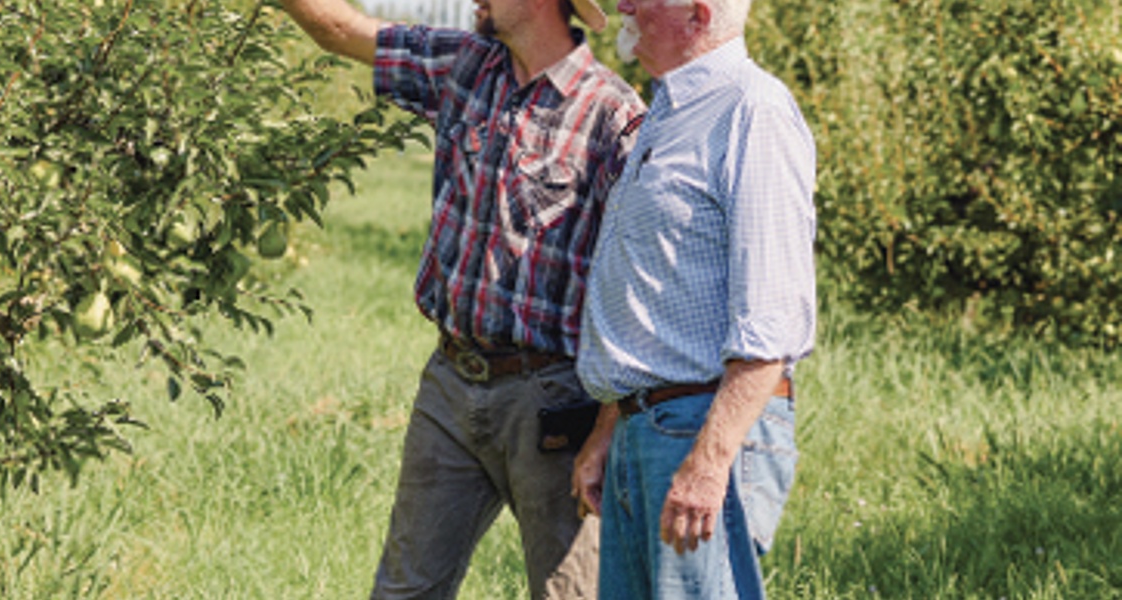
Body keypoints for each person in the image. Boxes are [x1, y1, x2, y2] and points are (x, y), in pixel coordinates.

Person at [274, 0, 645, 597]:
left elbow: (634, 286)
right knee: (403, 590)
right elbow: (340, 30)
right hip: (450, 382)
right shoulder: (464, 67)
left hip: (553, 401)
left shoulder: (612, 115)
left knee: (570, 593)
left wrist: (606, 429)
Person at [568, 0, 816, 597]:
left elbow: (772, 319)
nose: (622, 5)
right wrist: (609, 427)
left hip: (700, 426)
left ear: (697, 15)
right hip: (643, 426)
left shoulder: (751, 110)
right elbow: (651, 289)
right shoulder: (665, 112)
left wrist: (709, 463)